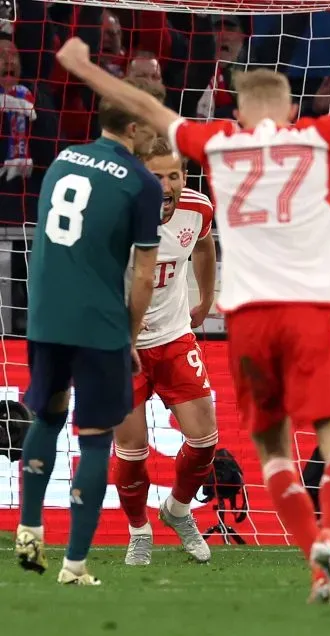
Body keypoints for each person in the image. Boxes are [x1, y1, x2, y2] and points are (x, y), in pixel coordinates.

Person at [55, 13, 330, 605]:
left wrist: (83, 66)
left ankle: (311, 547)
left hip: (248, 318)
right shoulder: (317, 136)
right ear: (290, 113)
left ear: (236, 113)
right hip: (310, 309)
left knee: (272, 448)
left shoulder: (216, 142)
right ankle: (329, 547)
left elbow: (147, 107)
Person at [15, 81, 163, 586]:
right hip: (98, 325)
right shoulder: (142, 181)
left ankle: (29, 531)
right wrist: (130, 335)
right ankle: (75, 565)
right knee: (97, 439)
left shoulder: (62, 160)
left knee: (48, 415)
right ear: (135, 126)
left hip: (44, 316)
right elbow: (144, 274)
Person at [110, 136, 218, 567]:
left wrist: (206, 298)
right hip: (120, 347)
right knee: (132, 453)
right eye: (156, 176)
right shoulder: (112, 215)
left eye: (174, 175)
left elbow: (205, 246)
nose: (167, 184)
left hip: (173, 339)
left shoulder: (198, 208)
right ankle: (139, 531)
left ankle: (176, 509)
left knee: (206, 442)